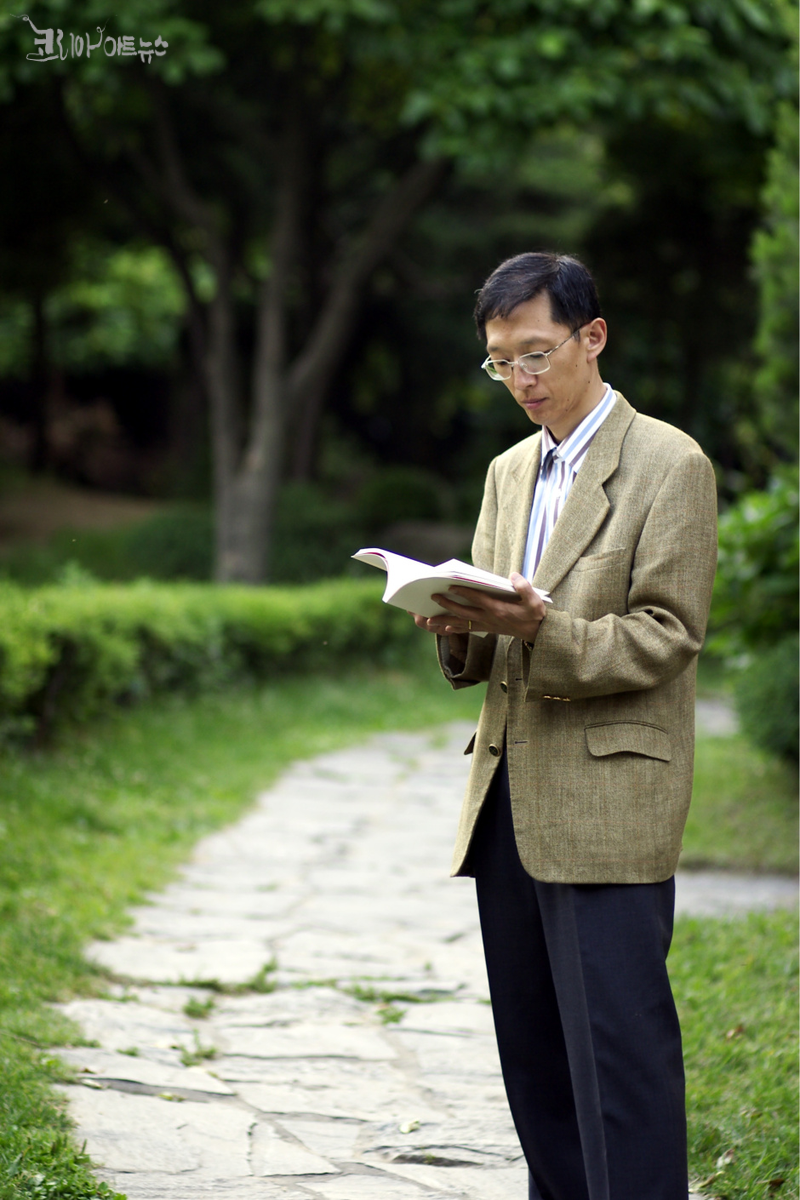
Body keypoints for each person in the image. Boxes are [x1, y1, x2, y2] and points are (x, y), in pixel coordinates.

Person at [410, 251, 718, 1200]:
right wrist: (454, 623)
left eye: (537, 354)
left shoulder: (670, 463)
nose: (522, 380)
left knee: (620, 1069)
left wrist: (544, 629)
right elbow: (494, 631)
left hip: (609, 804)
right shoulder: (509, 472)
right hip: (506, 799)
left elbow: (668, 634)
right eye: (501, 363)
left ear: (594, 337)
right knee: (536, 1068)